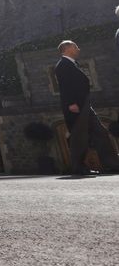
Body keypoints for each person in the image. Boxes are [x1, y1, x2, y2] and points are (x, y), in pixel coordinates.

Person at [54, 40, 119, 177]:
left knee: (100, 132)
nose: (78, 48)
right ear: (67, 49)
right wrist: (71, 103)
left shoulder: (73, 64)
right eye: (75, 46)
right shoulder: (62, 65)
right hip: (76, 106)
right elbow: (65, 87)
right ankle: (78, 168)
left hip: (84, 104)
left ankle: (112, 164)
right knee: (79, 137)